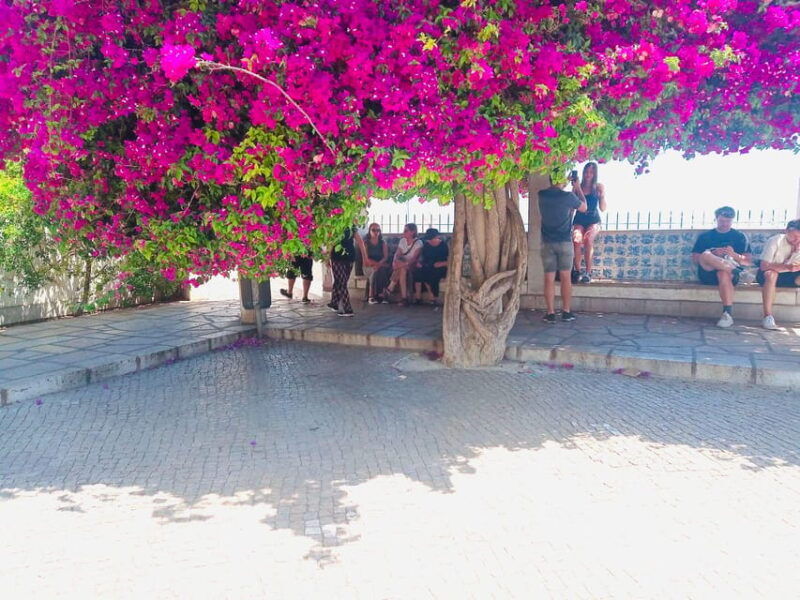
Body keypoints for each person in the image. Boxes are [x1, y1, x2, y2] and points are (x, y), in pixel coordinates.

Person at [538, 169, 587, 323]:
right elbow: (584, 207)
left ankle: (550, 313)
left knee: (549, 278)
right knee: (566, 278)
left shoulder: (542, 195)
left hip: (547, 243)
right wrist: (578, 187)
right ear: (562, 179)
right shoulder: (568, 196)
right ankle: (566, 312)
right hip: (565, 243)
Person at [691, 206, 752, 328]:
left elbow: (748, 261)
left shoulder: (739, 236)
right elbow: (695, 258)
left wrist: (733, 254)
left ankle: (727, 314)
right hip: (708, 272)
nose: (725, 224)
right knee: (706, 253)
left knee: (723, 273)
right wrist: (713, 254)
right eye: (722, 221)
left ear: (732, 220)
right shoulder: (706, 236)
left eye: (728, 221)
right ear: (716, 219)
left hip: (729, 274)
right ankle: (740, 272)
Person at [757, 219, 800, 330]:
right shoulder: (775, 240)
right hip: (768, 274)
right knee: (771, 274)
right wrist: (786, 267)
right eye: (795, 236)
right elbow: (764, 265)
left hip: (790, 275)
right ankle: (767, 317)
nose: (797, 240)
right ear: (786, 231)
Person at [571, 162, 606, 284]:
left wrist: (602, 196)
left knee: (588, 239)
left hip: (593, 219)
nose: (588, 174)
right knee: (576, 239)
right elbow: (572, 206)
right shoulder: (577, 187)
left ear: (595, 173)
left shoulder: (598, 187)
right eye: (586, 171)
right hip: (580, 218)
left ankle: (588, 272)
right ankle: (577, 271)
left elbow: (602, 208)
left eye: (591, 172)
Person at [327, 226, 364, 317]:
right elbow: (331, 242)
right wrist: (327, 257)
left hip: (344, 258)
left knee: (342, 282)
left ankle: (347, 310)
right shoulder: (341, 226)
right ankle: (335, 304)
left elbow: (360, 242)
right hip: (342, 257)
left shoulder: (347, 227)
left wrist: (365, 257)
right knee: (340, 281)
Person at [384, 223, 423, 305]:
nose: (403, 232)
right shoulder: (402, 241)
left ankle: (390, 288)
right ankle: (404, 298)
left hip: (412, 265)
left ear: (412, 232)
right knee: (402, 270)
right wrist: (394, 262)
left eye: (406, 231)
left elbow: (414, 259)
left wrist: (400, 264)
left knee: (402, 268)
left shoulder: (418, 243)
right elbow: (397, 254)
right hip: (402, 263)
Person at [413, 228, 449, 305]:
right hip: (428, 265)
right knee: (418, 273)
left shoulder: (443, 246)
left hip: (440, 267)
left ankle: (433, 296)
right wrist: (419, 263)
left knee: (432, 274)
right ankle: (418, 297)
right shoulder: (426, 245)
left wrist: (441, 264)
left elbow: (449, 260)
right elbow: (423, 258)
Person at [362, 222, 390, 304]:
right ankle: (371, 296)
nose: (376, 232)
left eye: (378, 230)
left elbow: (385, 257)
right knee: (375, 271)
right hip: (368, 266)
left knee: (381, 270)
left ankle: (382, 296)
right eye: (373, 230)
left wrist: (379, 264)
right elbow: (366, 258)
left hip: (380, 264)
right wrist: (376, 264)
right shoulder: (366, 243)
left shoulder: (383, 243)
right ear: (369, 231)